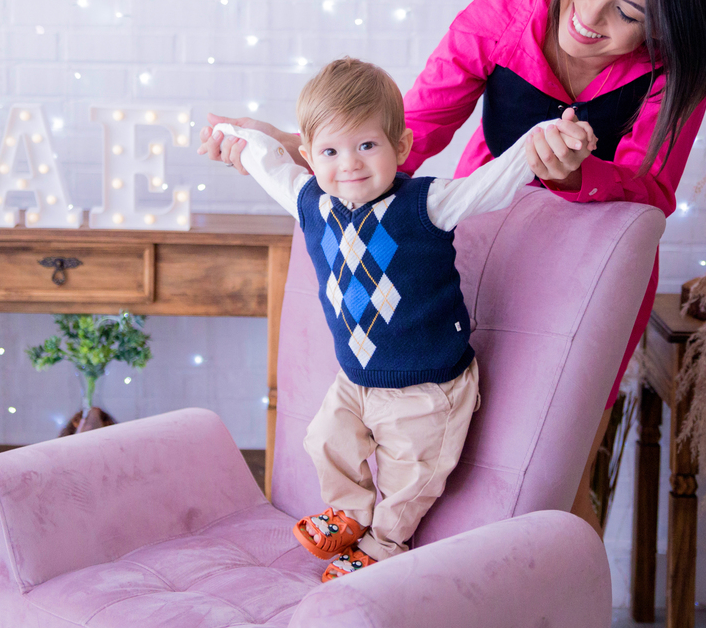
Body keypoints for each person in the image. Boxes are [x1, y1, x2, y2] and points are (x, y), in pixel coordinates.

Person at [199, 0, 706, 533]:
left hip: (590, 283)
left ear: (667, 30)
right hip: (483, 256)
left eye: (626, 13)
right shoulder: (504, 13)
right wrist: (291, 147)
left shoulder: (673, 71)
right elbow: (409, 134)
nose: (588, 16)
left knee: (554, 480)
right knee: (458, 465)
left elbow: (653, 191)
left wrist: (578, 174)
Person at [211, 57, 590, 581]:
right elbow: (270, 165)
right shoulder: (310, 202)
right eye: (330, 151)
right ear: (310, 157)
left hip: (428, 386)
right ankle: (348, 511)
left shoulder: (424, 204)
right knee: (324, 438)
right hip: (356, 379)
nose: (349, 164)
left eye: (366, 145)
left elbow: (492, 185)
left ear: (401, 147)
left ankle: (386, 542)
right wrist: (237, 135)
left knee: (411, 474)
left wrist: (542, 138)